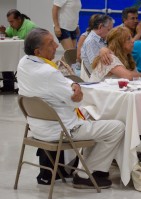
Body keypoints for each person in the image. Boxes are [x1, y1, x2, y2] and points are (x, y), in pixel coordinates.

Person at [17, 28, 125, 189]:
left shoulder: (24, 63)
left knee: (95, 119)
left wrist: (73, 84)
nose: (55, 46)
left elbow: (62, 83)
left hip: (37, 127)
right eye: (50, 43)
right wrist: (76, 90)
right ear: (38, 51)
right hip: (63, 130)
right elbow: (76, 101)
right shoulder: (48, 72)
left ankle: (89, 168)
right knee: (117, 127)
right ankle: (85, 174)